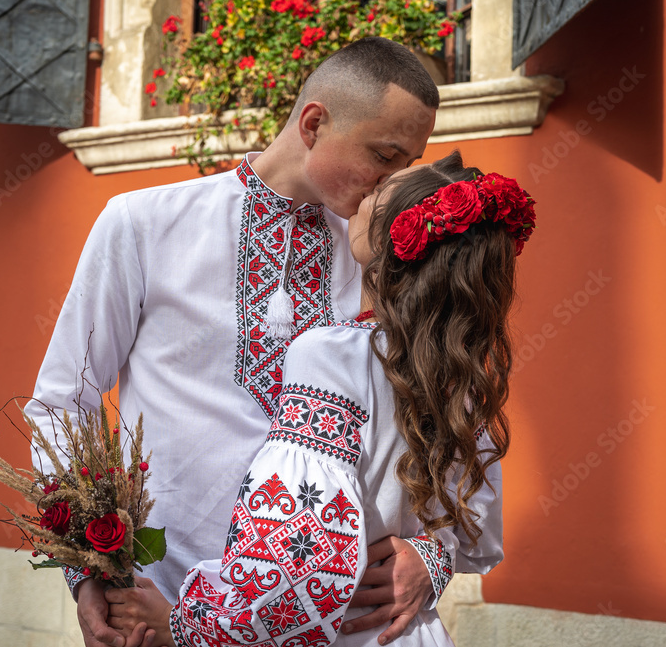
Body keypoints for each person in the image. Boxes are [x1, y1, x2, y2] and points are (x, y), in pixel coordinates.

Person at [26, 37, 483, 647]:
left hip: (339, 621)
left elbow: (445, 421)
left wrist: (431, 557)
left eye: (407, 164)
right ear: (314, 122)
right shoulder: (143, 224)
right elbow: (63, 403)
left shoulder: (382, 260)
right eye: (384, 154)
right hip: (162, 608)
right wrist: (91, 570)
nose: (392, 182)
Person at [102, 152, 532, 646]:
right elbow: (480, 538)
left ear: (398, 238)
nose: (363, 195)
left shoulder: (331, 356)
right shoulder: (457, 375)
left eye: (378, 194)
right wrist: (431, 557)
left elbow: (294, 576)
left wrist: (179, 624)